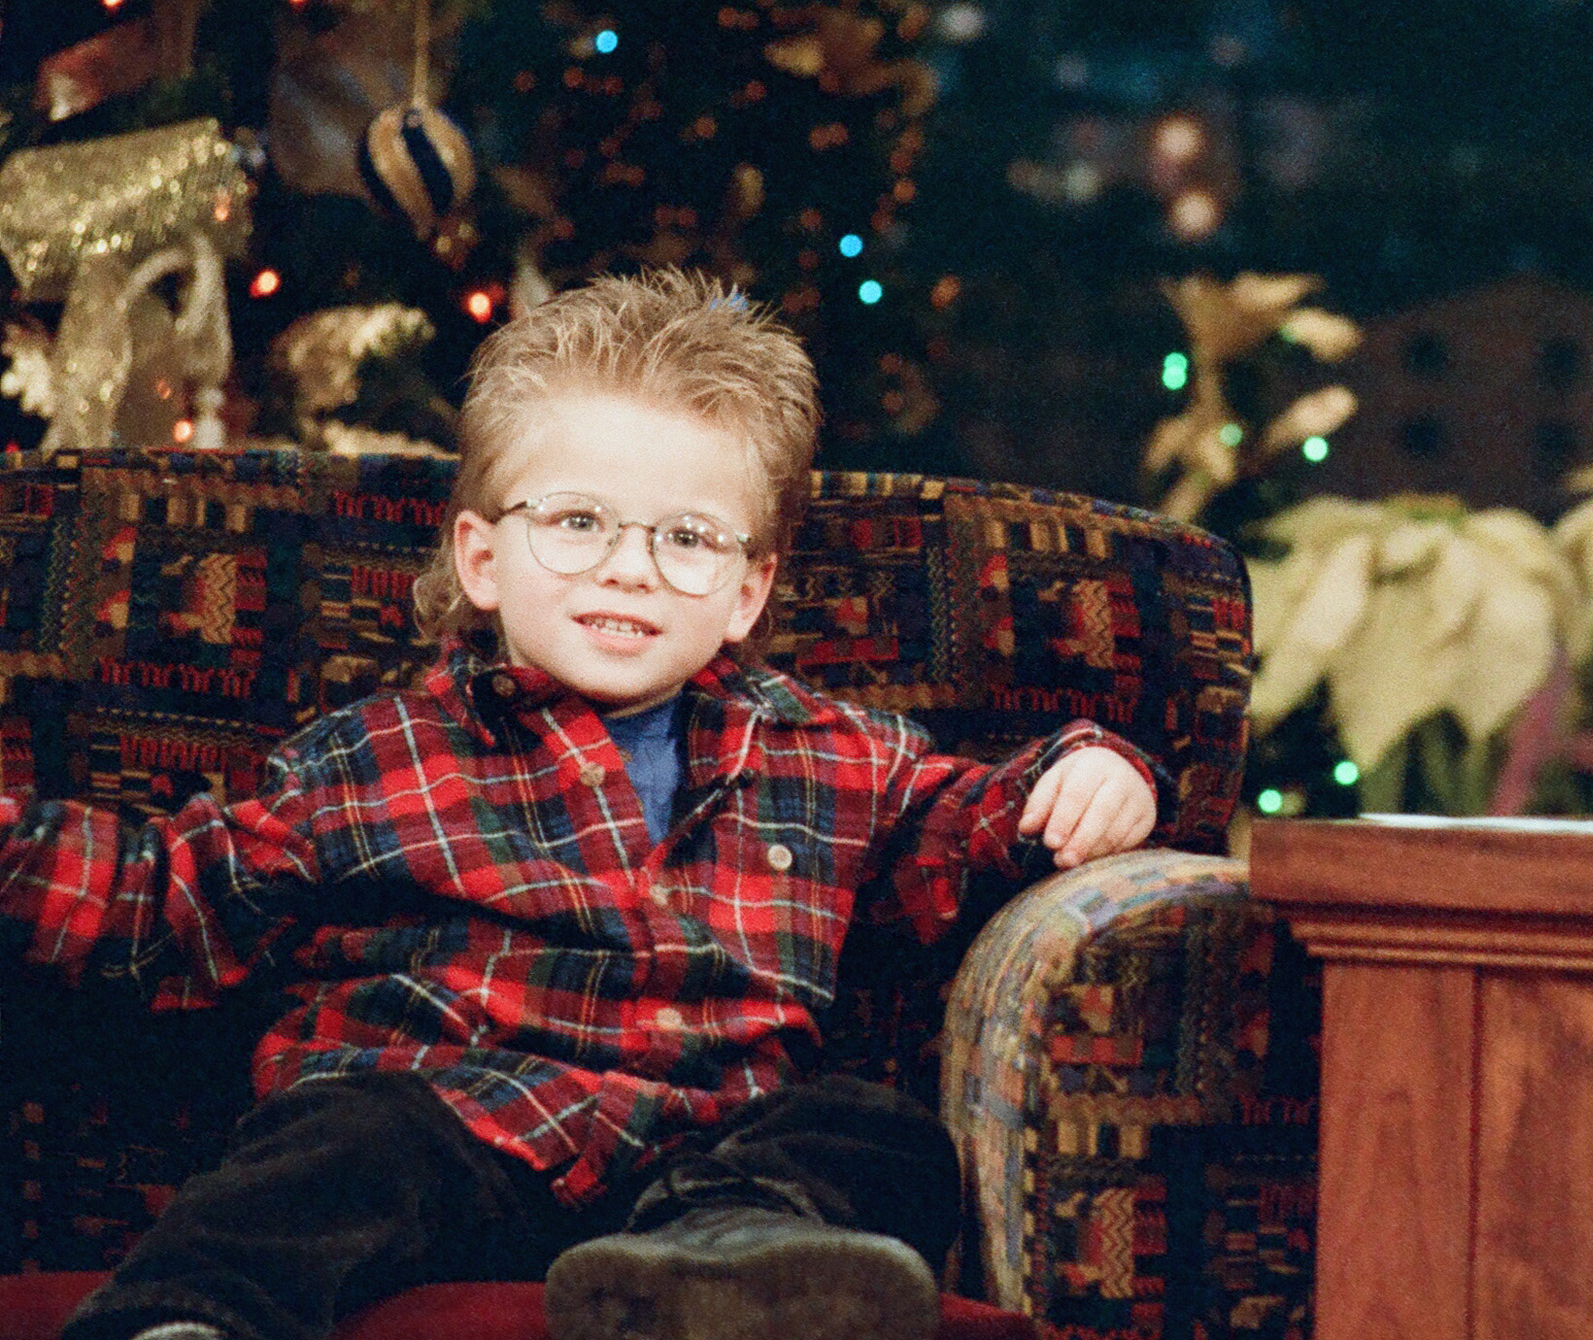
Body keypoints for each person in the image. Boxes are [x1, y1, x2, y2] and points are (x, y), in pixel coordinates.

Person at [0, 271, 1159, 1340]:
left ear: (748, 590)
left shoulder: (832, 753)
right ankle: (191, 1317)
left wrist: (1087, 773)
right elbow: (160, 900)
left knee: (877, 1131)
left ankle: (721, 1282)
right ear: (482, 559)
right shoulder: (374, 756)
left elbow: (968, 822)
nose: (631, 567)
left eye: (688, 538)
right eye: (576, 521)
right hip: (452, 1134)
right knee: (335, 1148)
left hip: (705, 1174)